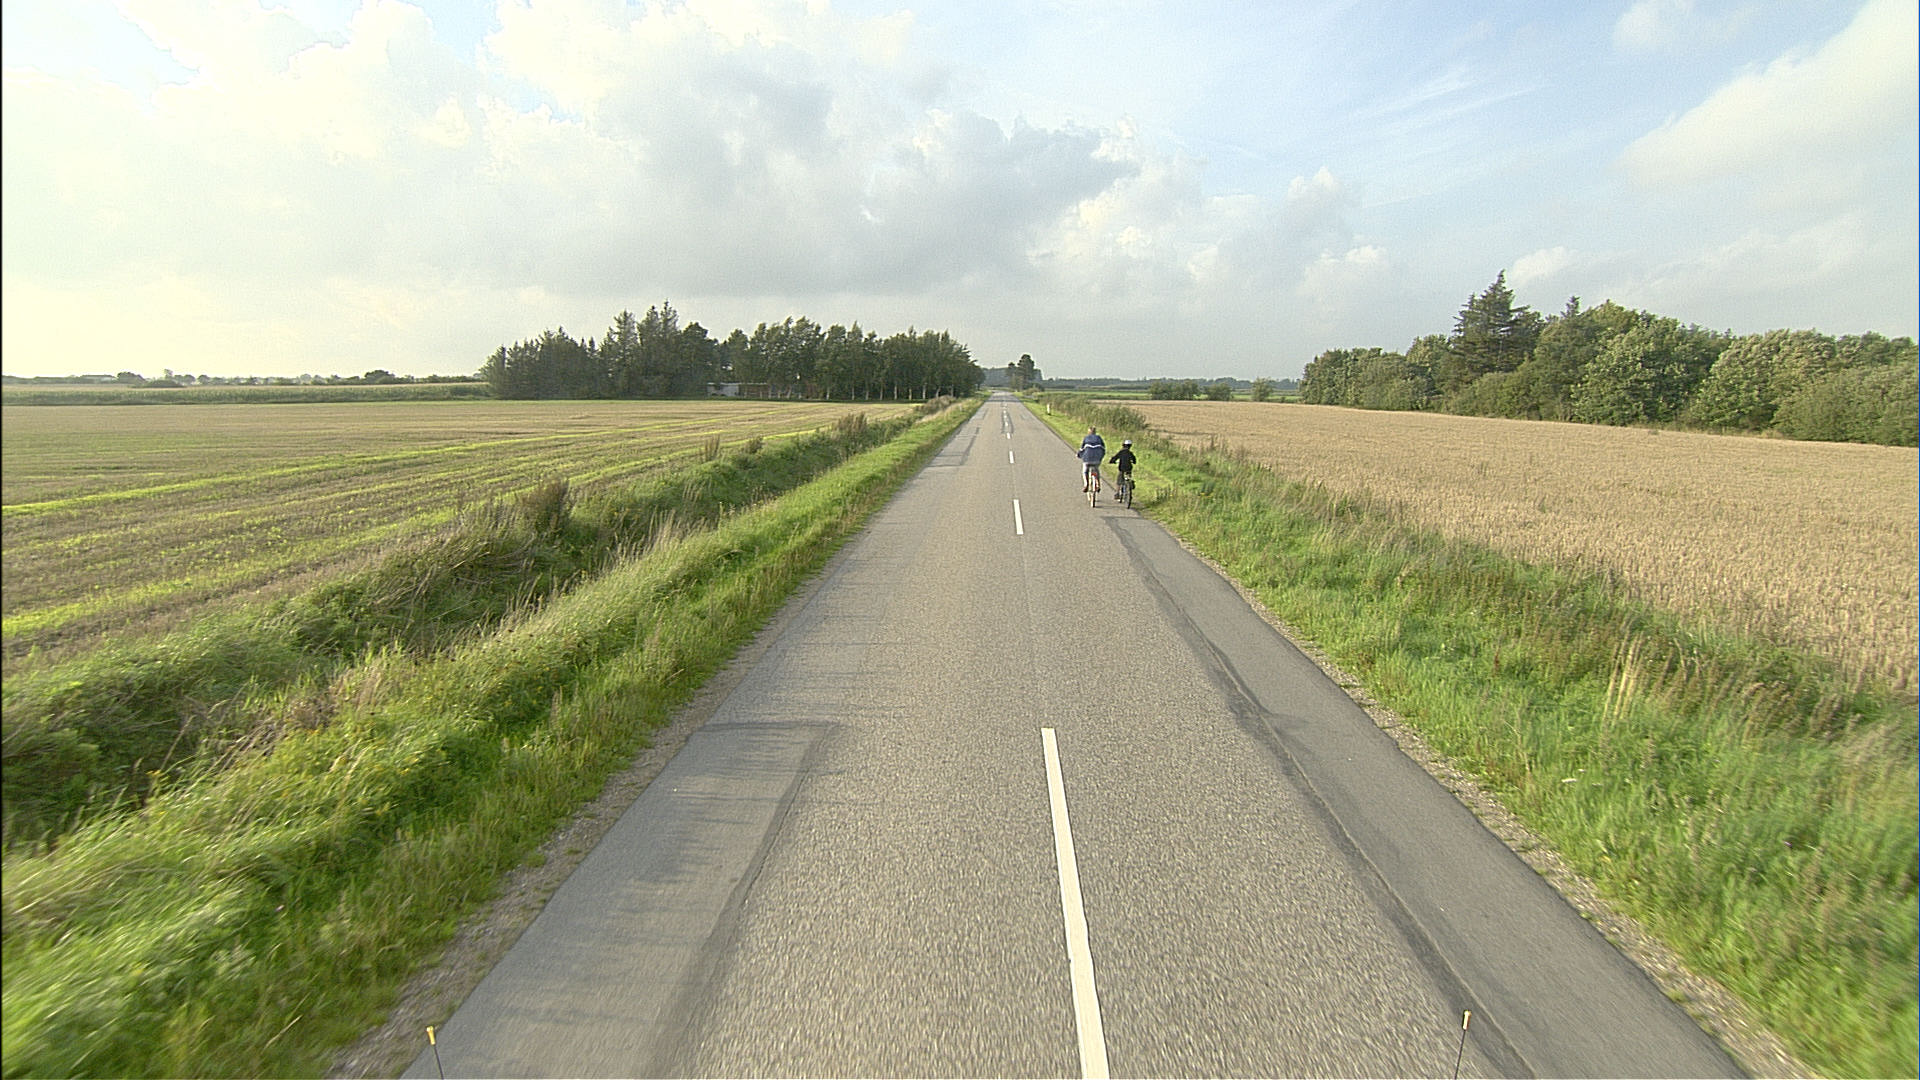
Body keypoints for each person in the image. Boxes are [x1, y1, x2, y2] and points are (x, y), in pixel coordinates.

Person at [1078, 426, 1106, 492]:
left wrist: (1079, 454)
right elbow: (1103, 448)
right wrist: (1101, 456)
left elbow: (1082, 449)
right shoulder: (1099, 438)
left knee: (1085, 471)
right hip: (1097, 458)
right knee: (1096, 469)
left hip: (1087, 458)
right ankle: (1098, 484)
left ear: (1089, 432)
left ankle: (1086, 484)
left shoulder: (1086, 438)